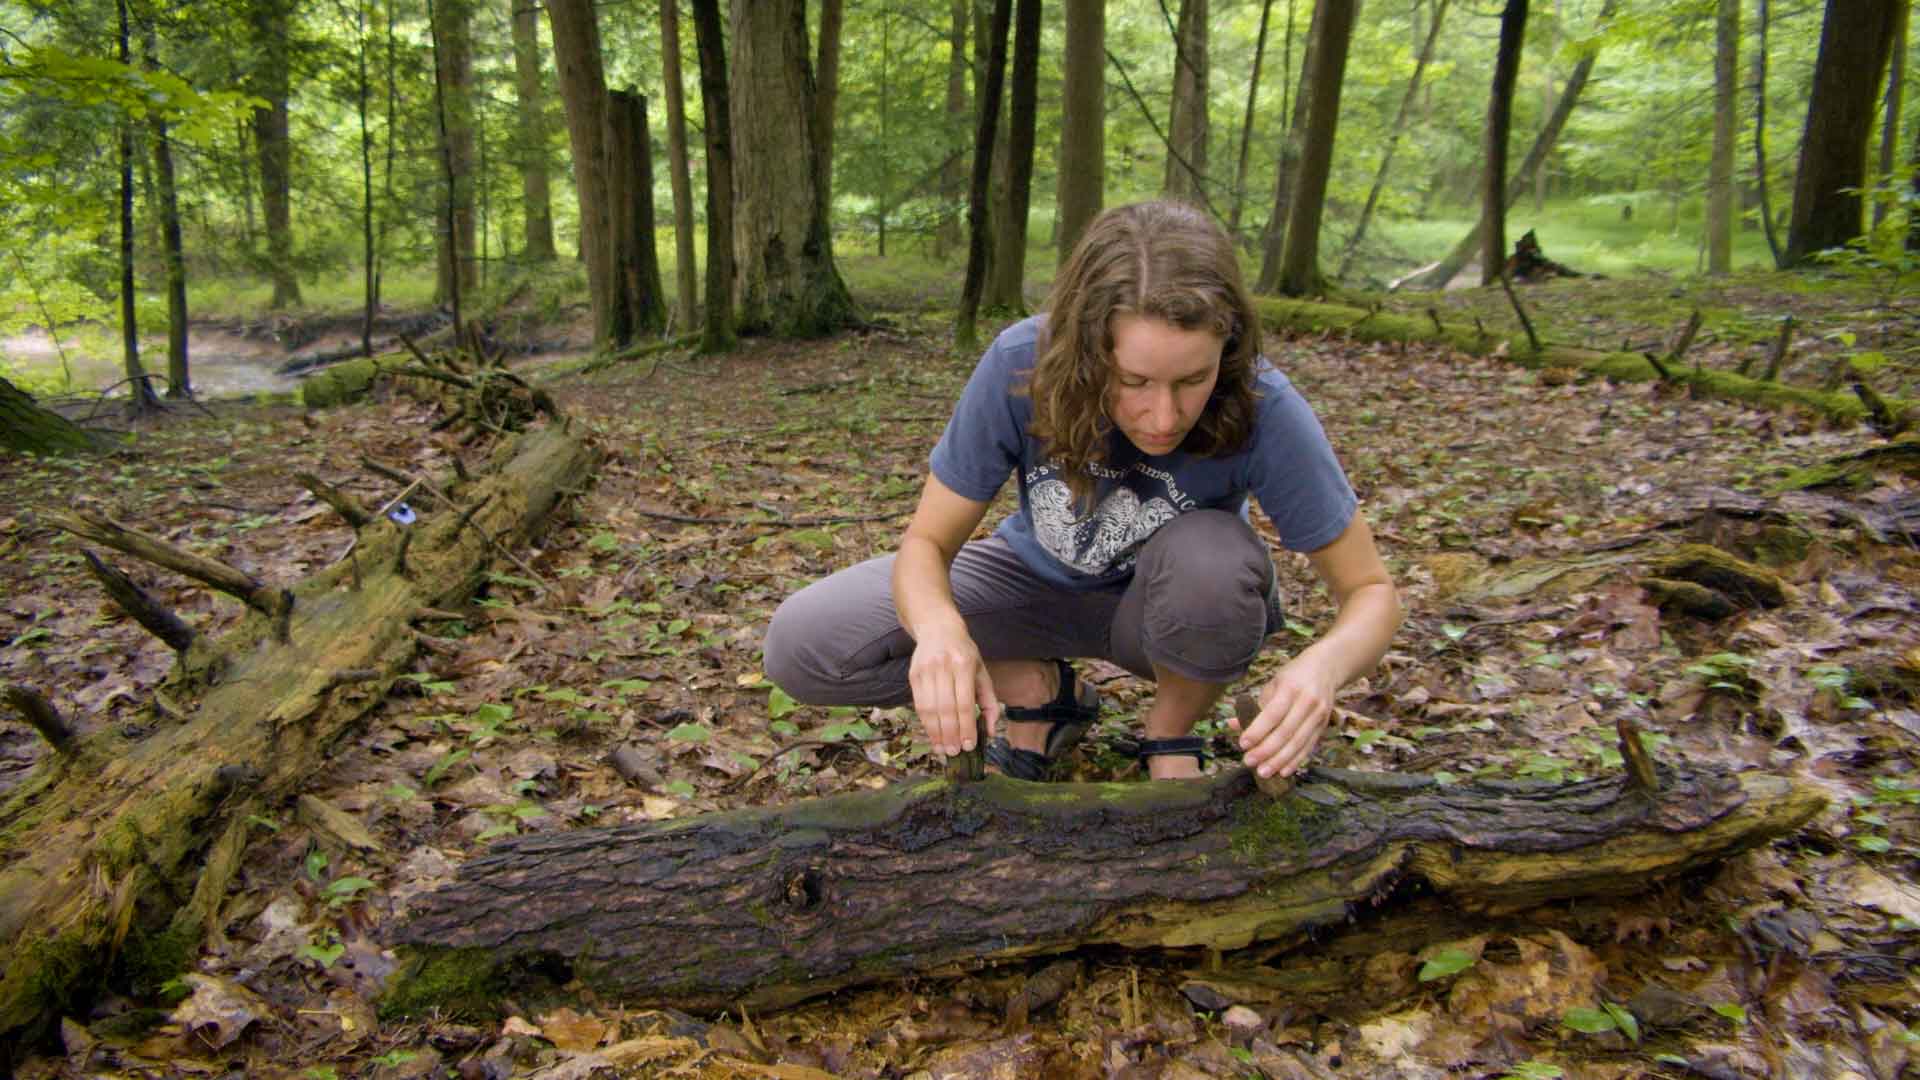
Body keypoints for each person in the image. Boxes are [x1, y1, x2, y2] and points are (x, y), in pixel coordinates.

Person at [763, 200, 1400, 781]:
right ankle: (1039, 692)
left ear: (1227, 348)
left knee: (1214, 556)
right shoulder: (1021, 364)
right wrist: (937, 631)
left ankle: (1169, 735)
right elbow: (926, 544)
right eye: (1134, 380)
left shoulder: (1265, 405)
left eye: (1192, 379)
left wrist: (1323, 667)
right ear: (1086, 348)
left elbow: (1371, 592)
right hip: (1029, 581)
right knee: (806, 644)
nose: (1164, 416)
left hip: (1171, 612)